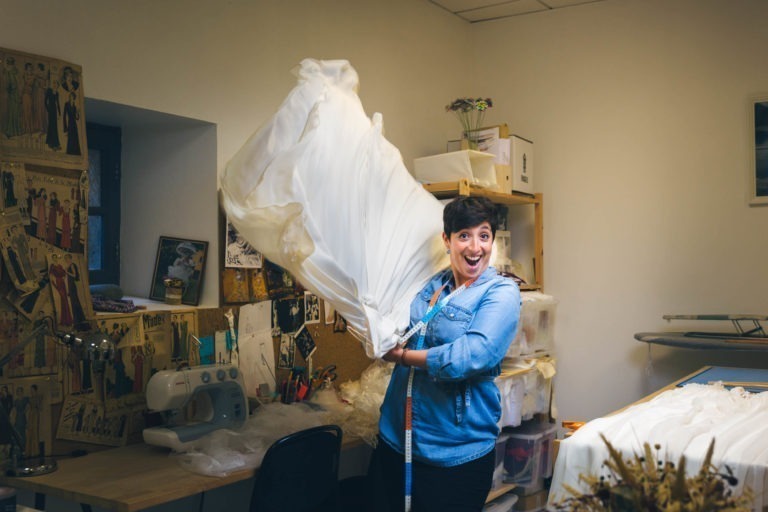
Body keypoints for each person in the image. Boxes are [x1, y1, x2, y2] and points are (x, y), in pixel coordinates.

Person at [371, 196, 521, 512]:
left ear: (492, 241)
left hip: (456, 453)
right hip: (397, 440)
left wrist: (401, 357)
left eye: (484, 235)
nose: (474, 247)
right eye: (463, 235)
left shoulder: (501, 293)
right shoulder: (429, 287)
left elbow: (469, 356)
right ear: (447, 240)